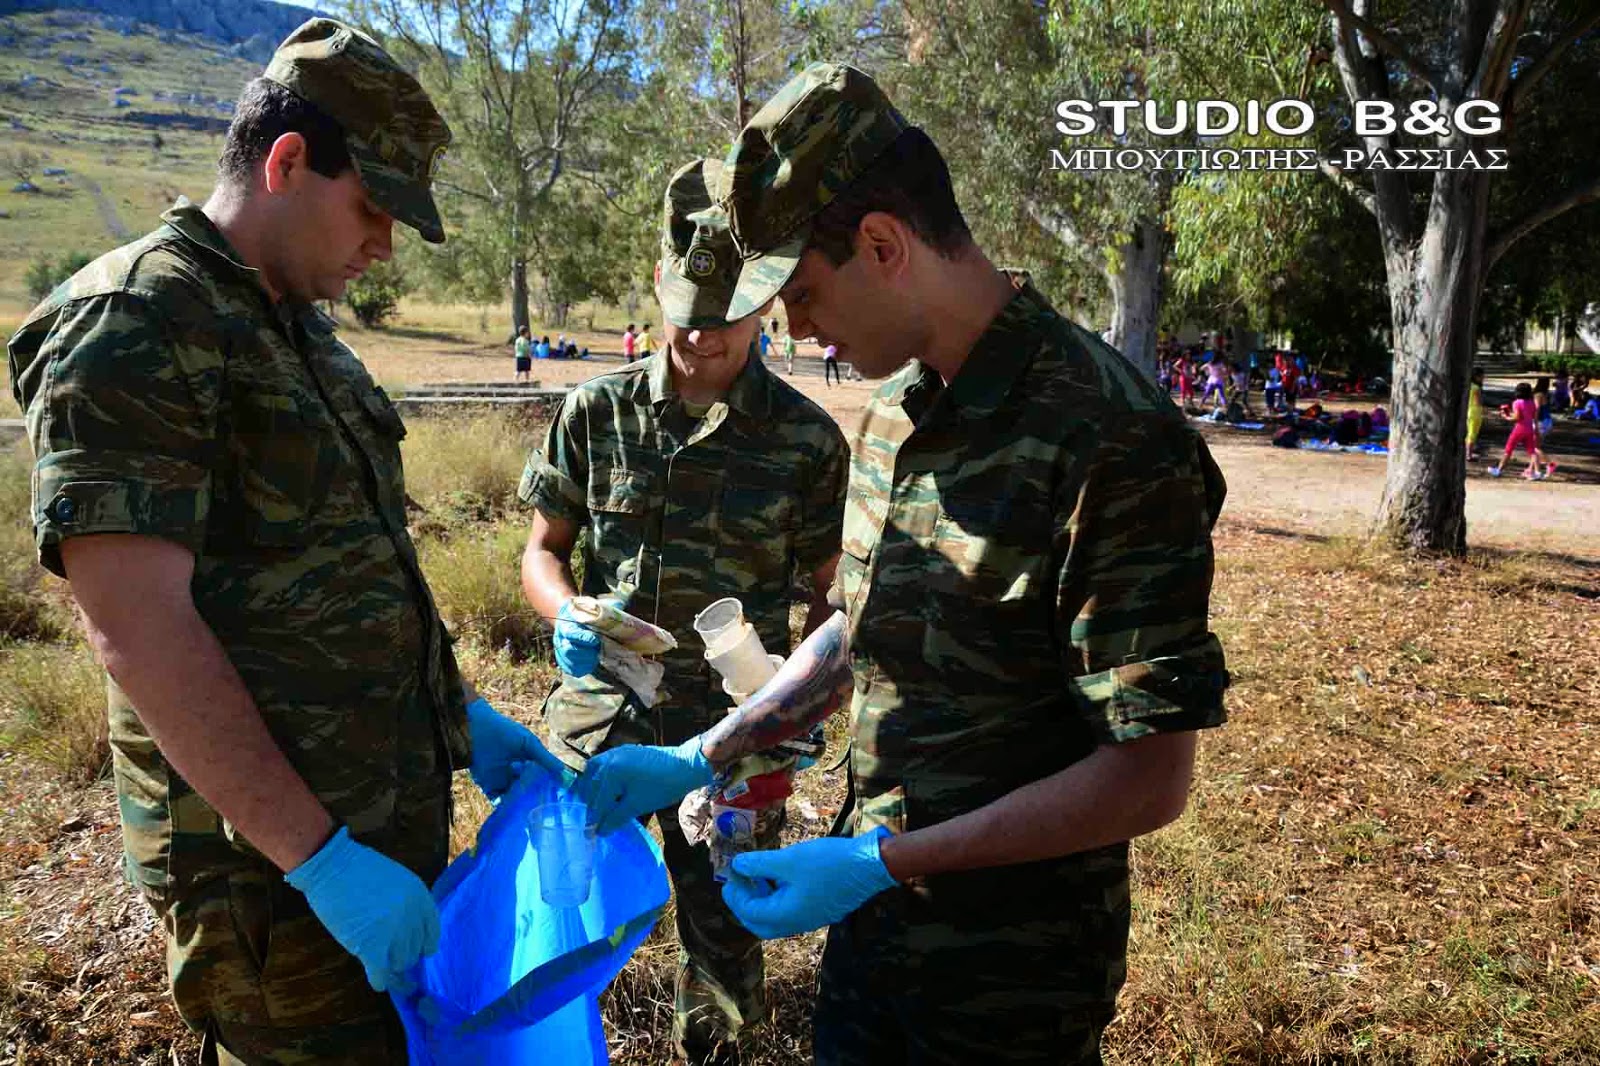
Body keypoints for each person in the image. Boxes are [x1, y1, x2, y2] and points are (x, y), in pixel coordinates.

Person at [573, 62, 1228, 1064]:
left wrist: (886, 860)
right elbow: (860, 624)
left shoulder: (1108, 438)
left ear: (882, 245)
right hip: (869, 945)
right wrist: (704, 750)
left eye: (800, 292)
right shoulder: (892, 413)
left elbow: (1147, 777)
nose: (793, 330)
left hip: (1007, 989)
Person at [5, 19, 569, 1063]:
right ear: (287, 161)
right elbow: (137, 627)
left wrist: (463, 714)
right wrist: (319, 860)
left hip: (379, 834)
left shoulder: (300, 330)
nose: (386, 244)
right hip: (272, 883)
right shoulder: (136, 322)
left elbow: (346, 571)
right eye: (373, 208)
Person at [518, 156, 849, 1065]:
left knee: (726, 937)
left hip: (733, 731)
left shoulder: (806, 441)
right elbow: (544, 551)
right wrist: (565, 614)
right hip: (602, 718)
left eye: (725, 323)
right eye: (685, 319)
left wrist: (806, 703)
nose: (699, 340)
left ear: (765, 311)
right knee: (558, 918)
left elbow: (830, 600)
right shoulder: (594, 412)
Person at [1489, 381, 1543, 479]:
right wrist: (1536, 430)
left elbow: (1517, 418)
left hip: (1519, 428)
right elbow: (1532, 417)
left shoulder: (1517, 402)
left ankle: (1499, 470)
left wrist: (1506, 417)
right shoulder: (1532, 403)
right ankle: (1538, 472)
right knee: (1532, 451)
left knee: (1508, 449)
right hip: (1529, 428)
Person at [1466, 367, 1485, 460]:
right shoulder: (1476, 388)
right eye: (1481, 376)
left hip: (1469, 411)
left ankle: (1468, 452)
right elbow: (1478, 402)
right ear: (1476, 377)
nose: (1483, 378)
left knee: (1469, 433)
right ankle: (1468, 455)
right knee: (1472, 433)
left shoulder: (1468, 385)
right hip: (1475, 412)